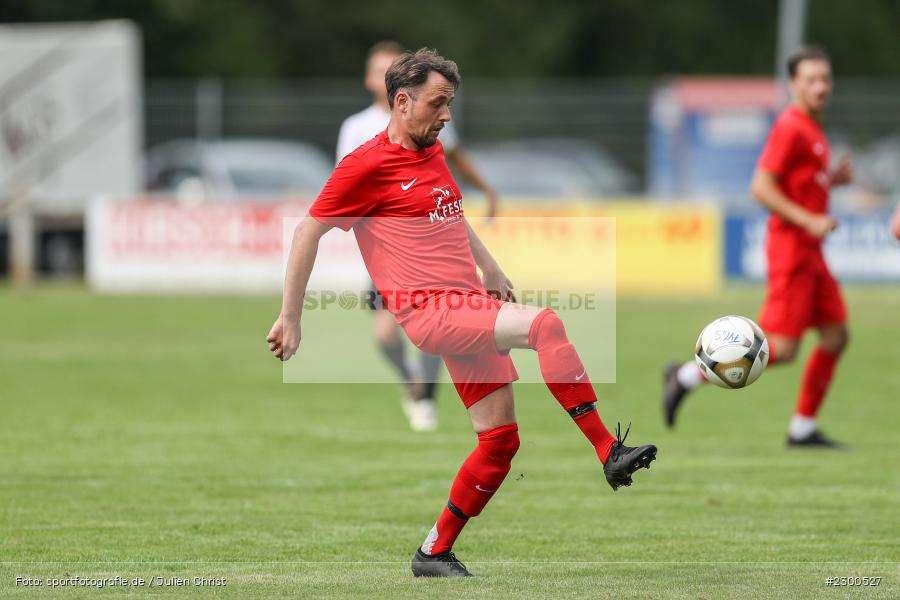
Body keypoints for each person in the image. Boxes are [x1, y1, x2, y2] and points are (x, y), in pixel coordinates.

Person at [267, 48, 657, 577]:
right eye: (438, 103)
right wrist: (292, 317)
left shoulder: (431, 149)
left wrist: (490, 267)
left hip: (467, 302)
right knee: (547, 325)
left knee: (500, 442)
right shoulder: (364, 165)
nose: (447, 114)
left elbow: (450, 213)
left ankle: (433, 552)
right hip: (431, 314)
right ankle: (607, 449)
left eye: (450, 103)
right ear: (401, 102)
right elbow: (306, 233)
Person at [663, 46, 853, 448]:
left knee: (836, 336)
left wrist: (830, 181)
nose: (821, 86)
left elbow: (797, 185)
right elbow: (760, 187)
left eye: (825, 79)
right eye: (811, 79)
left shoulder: (813, 129)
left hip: (811, 253)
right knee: (778, 349)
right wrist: (809, 220)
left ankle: (802, 428)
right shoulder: (791, 127)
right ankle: (684, 375)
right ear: (793, 84)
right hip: (792, 251)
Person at [337, 41, 500, 432]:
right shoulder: (357, 128)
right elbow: (345, 183)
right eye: (377, 68)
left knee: (440, 329)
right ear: (369, 79)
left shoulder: (433, 111)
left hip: (433, 245)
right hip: (388, 251)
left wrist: (487, 190)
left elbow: (456, 158)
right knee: (384, 333)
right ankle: (410, 379)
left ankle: (425, 397)